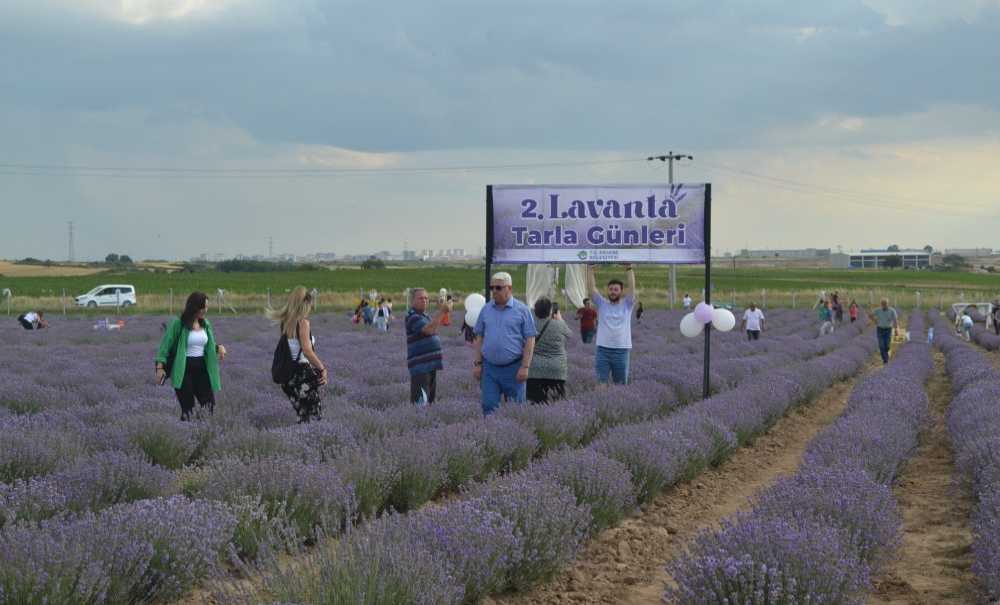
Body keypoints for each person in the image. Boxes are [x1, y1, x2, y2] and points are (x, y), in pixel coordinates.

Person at [155, 292, 227, 421]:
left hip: (202, 368)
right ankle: (187, 435)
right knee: (188, 409)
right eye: (204, 307)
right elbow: (164, 347)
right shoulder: (178, 324)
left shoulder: (205, 324)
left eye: (206, 307)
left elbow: (206, 344)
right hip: (183, 369)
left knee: (209, 406)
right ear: (195, 307)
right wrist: (160, 368)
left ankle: (200, 432)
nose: (206, 310)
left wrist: (218, 347)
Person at [473, 272, 536, 415]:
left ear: (509, 288)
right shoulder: (486, 309)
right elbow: (479, 337)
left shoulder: (522, 310)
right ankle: (490, 435)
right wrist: (477, 364)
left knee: (517, 410)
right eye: (492, 287)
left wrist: (525, 367)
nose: (494, 291)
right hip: (490, 368)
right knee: (488, 406)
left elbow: (530, 339)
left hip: (514, 368)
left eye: (498, 287)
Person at [267, 286, 328, 422]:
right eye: (310, 305)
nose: (311, 309)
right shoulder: (303, 323)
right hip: (302, 375)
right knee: (314, 417)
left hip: (288, 379)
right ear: (305, 304)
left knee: (303, 416)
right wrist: (322, 368)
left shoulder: (286, 323)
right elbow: (307, 351)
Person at [587, 263, 636, 385]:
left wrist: (629, 268)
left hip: (621, 351)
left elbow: (632, 287)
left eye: (616, 289)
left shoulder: (627, 304)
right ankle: (599, 404)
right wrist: (590, 269)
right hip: (603, 350)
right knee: (600, 383)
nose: (613, 292)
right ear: (607, 290)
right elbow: (591, 289)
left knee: (620, 385)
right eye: (611, 289)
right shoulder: (602, 303)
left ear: (621, 291)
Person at [406, 288, 452, 405]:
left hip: (430, 365)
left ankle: (425, 422)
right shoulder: (413, 316)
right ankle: (419, 422)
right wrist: (442, 312)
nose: (424, 300)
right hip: (421, 367)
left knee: (429, 402)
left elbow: (433, 328)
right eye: (421, 298)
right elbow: (428, 330)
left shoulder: (424, 316)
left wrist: (441, 312)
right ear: (412, 301)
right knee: (421, 403)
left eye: (426, 298)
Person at [527, 297, 572, 404]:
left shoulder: (530, 324)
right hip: (557, 369)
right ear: (550, 311)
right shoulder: (560, 324)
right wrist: (560, 318)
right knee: (556, 404)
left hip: (535, 370)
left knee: (535, 403)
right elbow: (570, 335)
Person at [868, 298, 899, 364]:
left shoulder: (892, 311)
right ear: (881, 304)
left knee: (887, 346)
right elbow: (870, 315)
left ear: (888, 304)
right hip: (880, 329)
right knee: (881, 345)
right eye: (883, 304)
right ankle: (885, 360)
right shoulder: (878, 310)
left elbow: (895, 320)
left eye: (885, 304)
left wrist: (896, 329)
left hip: (888, 330)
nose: (884, 306)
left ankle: (886, 356)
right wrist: (874, 320)